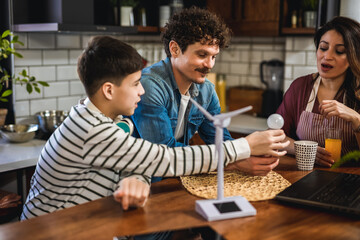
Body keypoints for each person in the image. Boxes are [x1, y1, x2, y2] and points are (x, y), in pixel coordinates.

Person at [21, 36, 289, 220]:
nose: (142, 90)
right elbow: (163, 158)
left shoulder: (107, 120)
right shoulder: (92, 131)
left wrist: (136, 178)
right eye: (136, 83)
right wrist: (246, 146)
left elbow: (139, 158)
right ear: (109, 90)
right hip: (50, 231)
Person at [132, 7, 282, 177]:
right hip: (142, 181)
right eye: (202, 54)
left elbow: (221, 141)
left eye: (214, 56)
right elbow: (164, 153)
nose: (210, 64)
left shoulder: (207, 90)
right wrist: (236, 160)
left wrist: (253, 153)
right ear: (174, 49)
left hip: (179, 178)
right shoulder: (149, 86)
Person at [276, 16, 360, 167]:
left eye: (339, 51)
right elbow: (276, 136)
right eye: (323, 48)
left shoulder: (358, 92)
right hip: (306, 176)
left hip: (350, 182)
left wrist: (356, 119)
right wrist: (304, 150)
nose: (327, 56)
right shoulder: (300, 87)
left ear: (354, 56)